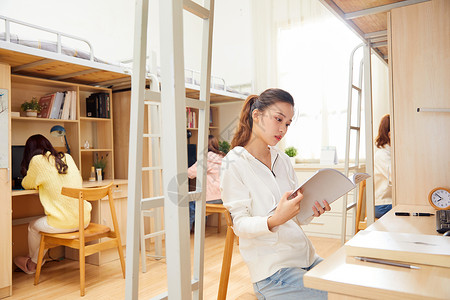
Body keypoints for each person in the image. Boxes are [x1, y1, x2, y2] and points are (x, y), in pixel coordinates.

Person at [220, 88, 330, 299]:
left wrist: (310, 210)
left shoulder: (283, 160)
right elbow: (239, 225)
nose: (283, 129)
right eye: (278, 119)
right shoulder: (234, 163)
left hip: (306, 258)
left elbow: (295, 217)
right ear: (257, 115)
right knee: (341, 295)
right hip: (273, 272)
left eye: (287, 124)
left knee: (352, 286)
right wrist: (274, 220)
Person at [13, 134, 91, 274]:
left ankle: (33, 264)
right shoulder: (68, 157)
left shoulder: (37, 161)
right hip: (83, 220)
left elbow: (26, 184)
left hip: (63, 223)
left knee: (33, 227)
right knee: (46, 224)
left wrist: (36, 181)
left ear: (29, 152)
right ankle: (35, 260)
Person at [187, 135, 225, 231]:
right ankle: (200, 228)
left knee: (190, 203)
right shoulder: (223, 157)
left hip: (212, 199)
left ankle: (186, 231)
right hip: (224, 197)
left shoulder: (206, 158)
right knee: (201, 197)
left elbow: (190, 173)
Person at [374, 114, 392, 218]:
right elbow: (397, 179)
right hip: (383, 205)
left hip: (390, 201)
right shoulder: (382, 155)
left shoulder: (389, 152)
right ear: (390, 134)